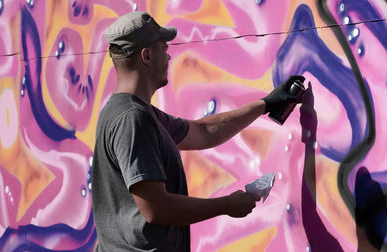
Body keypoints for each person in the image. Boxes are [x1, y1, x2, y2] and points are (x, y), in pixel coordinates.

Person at [91, 11, 305, 251]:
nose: (169, 55)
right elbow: (155, 208)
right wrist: (226, 205)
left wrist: (265, 104)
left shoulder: (135, 113)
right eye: (163, 47)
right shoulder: (132, 119)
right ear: (147, 55)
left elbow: (204, 131)